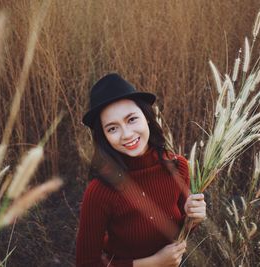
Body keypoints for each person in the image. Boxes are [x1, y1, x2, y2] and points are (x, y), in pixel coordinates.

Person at [76, 73, 206, 267]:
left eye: (131, 119)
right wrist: (152, 263)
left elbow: (178, 233)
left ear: (147, 117)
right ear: (103, 136)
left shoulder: (178, 167)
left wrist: (193, 218)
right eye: (112, 128)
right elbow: (86, 263)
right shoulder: (100, 191)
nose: (127, 134)